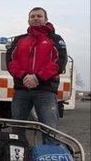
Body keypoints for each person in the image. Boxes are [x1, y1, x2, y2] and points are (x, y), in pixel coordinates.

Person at [6, 7, 68, 136]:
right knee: (17, 129)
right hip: (21, 90)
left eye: (39, 16)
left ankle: (49, 155)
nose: (35, 18)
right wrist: (24, 76)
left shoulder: (56, 39)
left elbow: (59, 63)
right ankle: (20, 153)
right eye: (32, 16)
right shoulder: (19, 40)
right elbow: (11, 62)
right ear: (28, 20)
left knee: (49, 129)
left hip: (45, 90)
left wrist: (37, 78)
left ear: (46, 19)